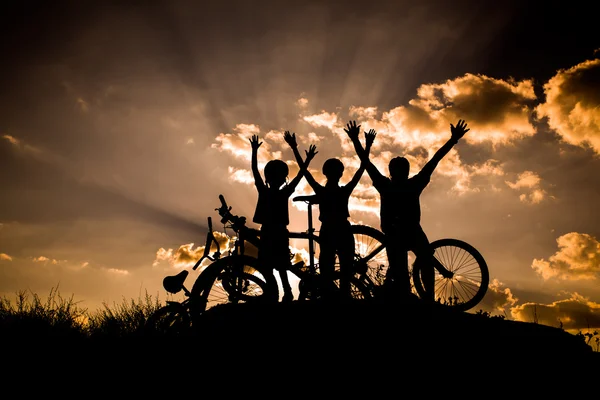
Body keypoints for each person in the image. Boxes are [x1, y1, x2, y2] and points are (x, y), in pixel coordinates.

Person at [347, 119, 470, 303]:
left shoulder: (387, 184)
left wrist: (356, 140)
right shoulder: (412, 184)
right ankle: (426, 298)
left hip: (398, 231)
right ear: (405, 171)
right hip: (408, 230)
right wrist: (453, 140)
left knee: (412, 269)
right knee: (425, 262)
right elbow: (434, 160)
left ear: (391, 171)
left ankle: (416, 297)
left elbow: (366, 163)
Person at [284, 126, 375, 301]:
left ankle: (329, 299)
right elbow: (362, 168)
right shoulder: (343, 191)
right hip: (342, 229)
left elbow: (304, 172)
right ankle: (342, 298)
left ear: (325, 173)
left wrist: (295, 148)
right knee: (345, 270)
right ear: (341, 174)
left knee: (328, 269)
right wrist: (367, 145)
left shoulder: (323, 191)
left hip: (329, 230)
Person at [250, 133, 318, 302]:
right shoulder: (283, 192)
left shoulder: (265, 191)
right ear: (283, 178)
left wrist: (254, 151)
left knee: (269, 265)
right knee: (280, 266)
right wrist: (305, 158)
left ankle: (279, 292)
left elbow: (255, 172)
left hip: (269, 231)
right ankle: (285, 291)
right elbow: (300, 175)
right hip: (279, 231)